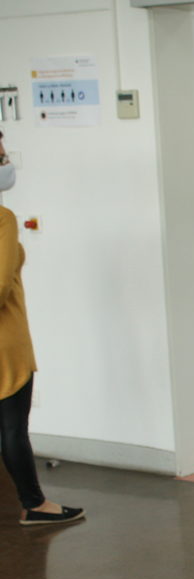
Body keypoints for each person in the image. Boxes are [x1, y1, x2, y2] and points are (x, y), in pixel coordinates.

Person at [0, 129, 84, 526]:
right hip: (6, 347)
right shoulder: (3, 219)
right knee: (13, 429)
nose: (6, 162)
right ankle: (34, 504)